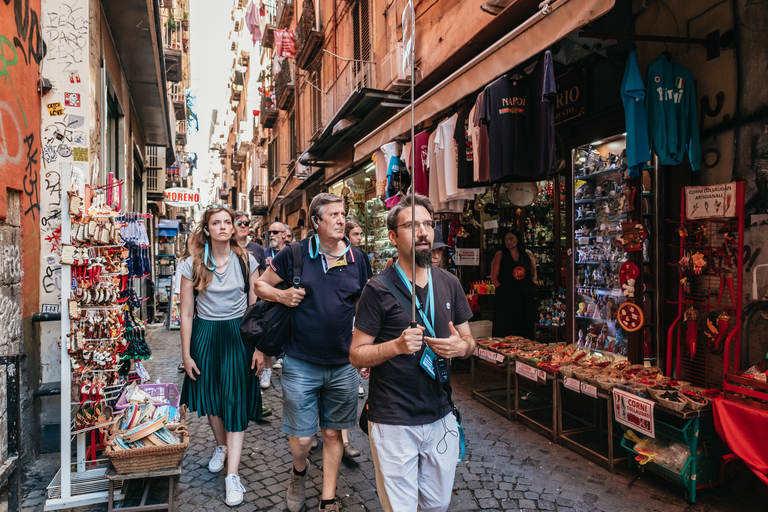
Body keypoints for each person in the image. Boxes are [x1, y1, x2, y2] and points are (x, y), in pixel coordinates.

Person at [349, 193, 475, 512]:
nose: (422, 232)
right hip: (393, 418)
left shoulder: (449, 282)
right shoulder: (377, 289)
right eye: (412, 225)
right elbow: (357, 354)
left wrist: (461, 347)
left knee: (436, 504)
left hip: (440, 413)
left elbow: (469, 342)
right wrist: (397, 346)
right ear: (393, 236)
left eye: (427, 224)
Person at [255, 193, 369, 512]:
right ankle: (299, 471)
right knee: (304, 440)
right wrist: (283, 295)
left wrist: (365, 349)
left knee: (333, 433)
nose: (340, 219)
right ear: (316, 222)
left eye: (342, 213)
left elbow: (365, 307)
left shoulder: (358, 258)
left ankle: (327, 499)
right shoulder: (295, 253)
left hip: (343, 364)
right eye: (332, 214)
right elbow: (260, 287)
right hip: (300, 361)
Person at [178, 205, 264, 507]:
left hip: (238, 334)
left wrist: (258, 347)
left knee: (236, 399)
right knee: (211, 395)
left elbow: (256, 308)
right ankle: (221, 446)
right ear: (207, 229)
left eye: (228, 222)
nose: (224, 227)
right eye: (217, 223)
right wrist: (186, 354)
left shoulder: (248, 260)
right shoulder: (191, 265)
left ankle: (232, 475)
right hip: (205, 334)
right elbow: (186, 313)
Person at [490, 227, 539, 338]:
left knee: (526, 331)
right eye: (506, 239)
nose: (508, 241)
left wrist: (533, 285)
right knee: (505, 331)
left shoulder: (528, 254)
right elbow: (493, 277)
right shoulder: (500, 255)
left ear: (518, 239)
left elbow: (534, 273)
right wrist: (502, 291)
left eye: (511, 238)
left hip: (525, 298)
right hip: (506, 299)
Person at [260, 221, 288, 385]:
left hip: (287, 300)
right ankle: (267, 370)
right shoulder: (264, 252)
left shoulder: (292, 252)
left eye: (275, 232)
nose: (271, 235)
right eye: (270, 232)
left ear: (284, 235)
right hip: (269, 299)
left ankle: (287, 366)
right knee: (267, 335)